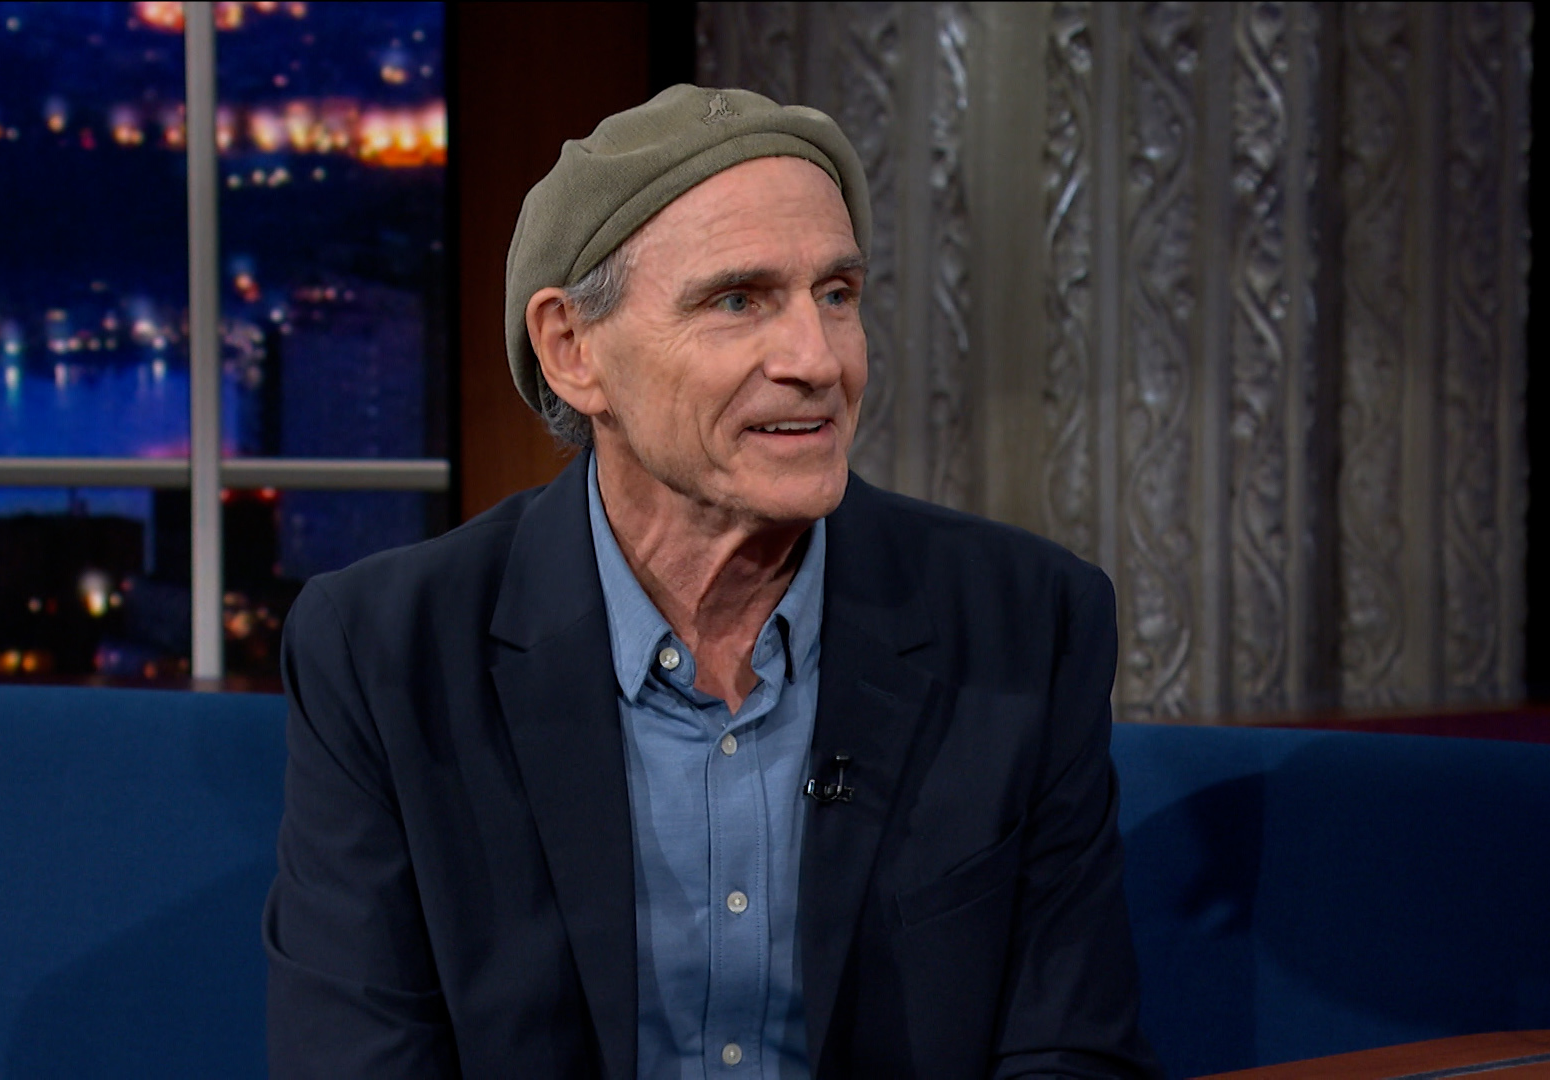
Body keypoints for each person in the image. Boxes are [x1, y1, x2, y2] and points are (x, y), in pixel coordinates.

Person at [263, 84, 1160, 1079]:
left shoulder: (1025, 624)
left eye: (837, 294)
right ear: (572, 350)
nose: (818, 359)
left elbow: (1069, 1052)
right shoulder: (385, 654)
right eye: (738, 300)